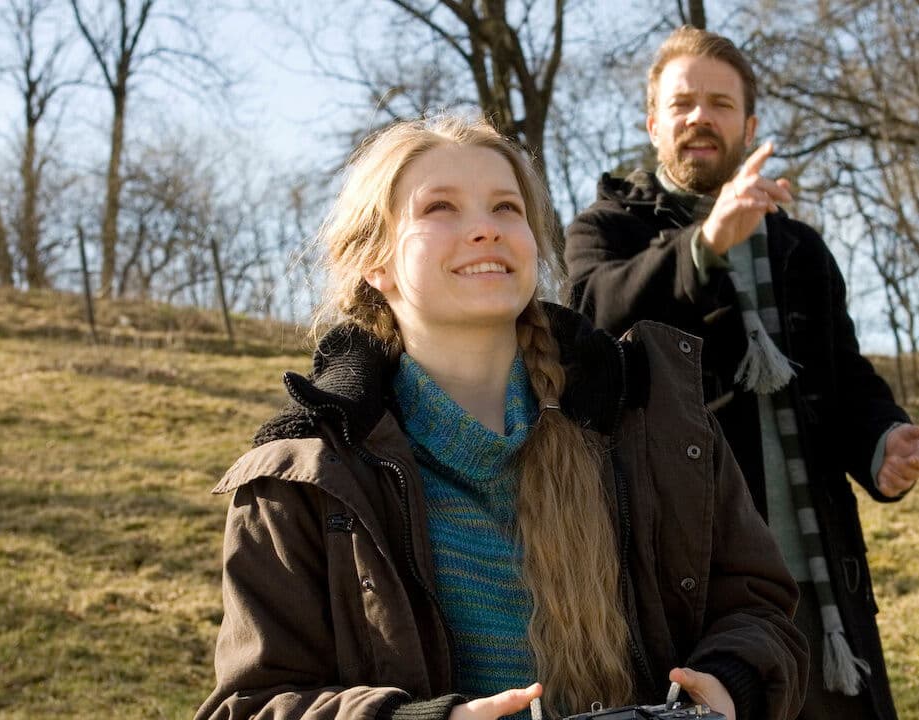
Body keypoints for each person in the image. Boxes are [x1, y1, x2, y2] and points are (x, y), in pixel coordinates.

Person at [194, 115, 806, 720]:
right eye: (440, 208)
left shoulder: (656, 418)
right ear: (372, 262)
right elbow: (252, 705)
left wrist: (730, 684)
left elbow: (757, 608)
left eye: (506, 208)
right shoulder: (303, 477)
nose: (485, 229)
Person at [563, 26, 919, 720]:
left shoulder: (799, 247)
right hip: (682, 572)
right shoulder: (605, 229)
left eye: (720, 104)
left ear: (750, 124)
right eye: (682, 104)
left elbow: (843, 376)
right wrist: (702, 247)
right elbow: (589, 321)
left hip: (815, 567)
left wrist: (883, 442)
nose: (700, 118)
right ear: (653, 122)